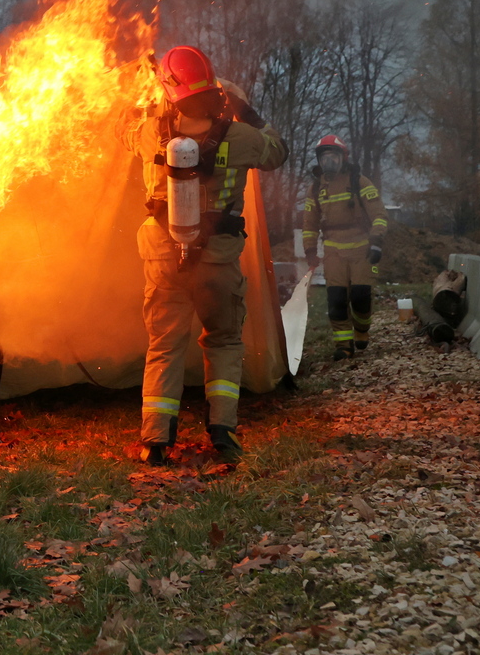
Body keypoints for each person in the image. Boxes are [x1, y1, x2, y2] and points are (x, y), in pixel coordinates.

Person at [131, 45, 288, 464]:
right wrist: (245, 108)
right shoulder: (240, 138)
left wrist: (154, 104)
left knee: (164, 344)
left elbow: (121, 132)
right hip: (217, 260)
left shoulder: (150, 132)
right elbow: (278, 150)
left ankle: (155, 441)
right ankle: (222, 431)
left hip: (165, 259)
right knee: (222, 341)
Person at [301, 135, 389, 360]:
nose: (329, 162)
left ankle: (361, 330)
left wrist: (376, 241)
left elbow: (378, 214)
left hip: (360, 248)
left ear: (344, 158)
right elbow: (309, 223)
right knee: (336, 300)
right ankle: (343, 346)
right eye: (324, 157)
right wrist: (310, 250)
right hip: (333, 250)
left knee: (361, 298)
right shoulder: (317, 188)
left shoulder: (359, 182)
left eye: (333, 156)